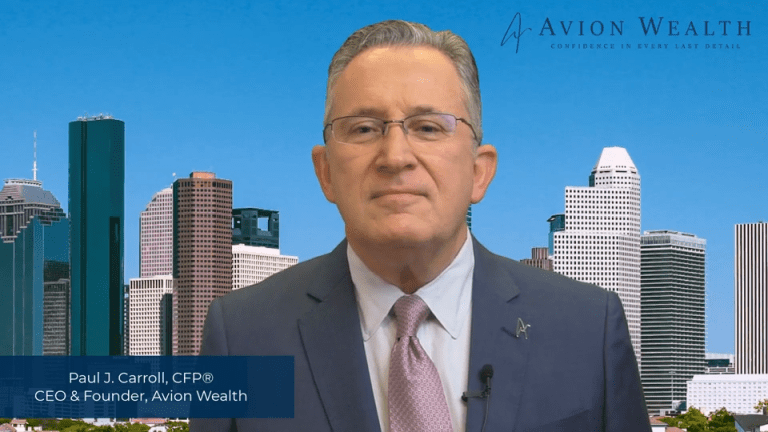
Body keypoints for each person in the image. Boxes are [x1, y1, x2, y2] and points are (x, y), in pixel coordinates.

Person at [191, 20, 650, 432]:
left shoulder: (588, 328)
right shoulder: (243, 337)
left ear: (479, 172)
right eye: (365, 128)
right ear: (326, 171)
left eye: (429, 127)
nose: (395, 157)